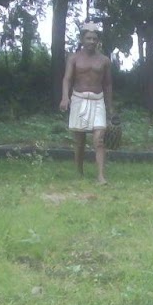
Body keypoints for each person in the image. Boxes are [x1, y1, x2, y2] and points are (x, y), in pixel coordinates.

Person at [60, 21, 113, 184]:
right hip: (79, 99)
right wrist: (65, 97)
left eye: (94, 39)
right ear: (82, 39)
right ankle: (79, 171)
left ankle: (101, 176)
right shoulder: (74, 58)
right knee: (79, 141)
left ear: (98, 41)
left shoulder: (104, 60)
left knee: (99, 139)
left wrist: (110, 106)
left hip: (97, 100)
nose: (91, 41)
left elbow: (107, 84)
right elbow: (67, 79)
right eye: (88, 38)